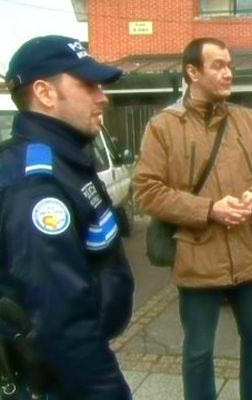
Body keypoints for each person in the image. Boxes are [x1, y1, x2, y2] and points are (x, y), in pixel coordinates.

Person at [133, 37, 252, 400]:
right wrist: (209, 210)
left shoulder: (249, 120)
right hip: (197, 258)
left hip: (251, 256)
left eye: (230, 65)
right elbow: (147, 191)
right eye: (218, 65)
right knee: (199, 352)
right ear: (192, 72)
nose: (228, 72)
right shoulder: (163, 127)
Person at [0, 35, 134, 398]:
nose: (102, 96)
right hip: (59, 382)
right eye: (88, 84)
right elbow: (62, 321)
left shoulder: (67, 160)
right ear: (45, 93)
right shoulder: (36, 186)